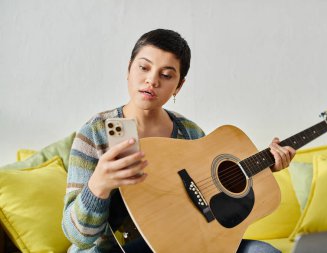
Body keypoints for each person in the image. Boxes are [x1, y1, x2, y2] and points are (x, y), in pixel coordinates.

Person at [62, 28, 296, 253]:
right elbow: (78, 238)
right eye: (143, 67)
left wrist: (266, 167)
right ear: (128, 70)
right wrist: (99, 185)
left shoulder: (190, 133)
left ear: (179, 86)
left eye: (166, 75)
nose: (151, 81)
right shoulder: (98, 132)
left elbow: (212, 198)